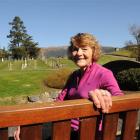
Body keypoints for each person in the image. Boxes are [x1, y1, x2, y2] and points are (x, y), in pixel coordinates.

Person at [14, 33, 123, 140]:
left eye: (84, 49)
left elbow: (121, 99)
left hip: (86, 132)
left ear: (93, 51)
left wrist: (105, 95)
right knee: (27, 131)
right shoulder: (73, 76)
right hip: (65, 125)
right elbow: (58, 102)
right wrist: (28, 120)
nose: (79, 53)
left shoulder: (104, 74)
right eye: (75, 49)